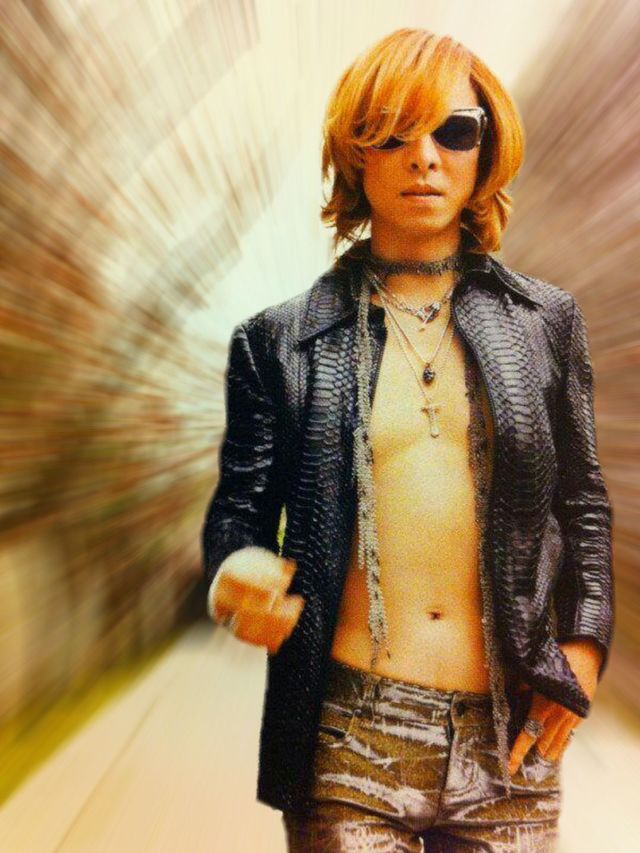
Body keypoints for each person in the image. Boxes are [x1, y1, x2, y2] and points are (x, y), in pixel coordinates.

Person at [201, 27, 614, 851]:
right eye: (393, 133)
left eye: (453, 130)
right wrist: (233, 574)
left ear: (484, 150)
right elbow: (237, 516)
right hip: (348, 734)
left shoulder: (546, 323)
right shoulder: (276, 342)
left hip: (512, 736)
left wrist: (582, 648)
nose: (423, 156)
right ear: (356, 155)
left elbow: (583, 505)